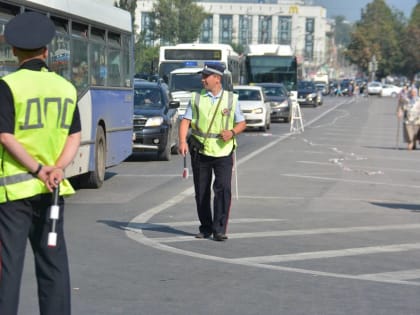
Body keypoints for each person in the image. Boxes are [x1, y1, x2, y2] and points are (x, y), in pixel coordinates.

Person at [0, 12, 81, 315]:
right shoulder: (66, 88)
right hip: (54, 192)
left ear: (13, 51)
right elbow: (75, 137)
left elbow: (6, 137)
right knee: (53, 262)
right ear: (47, 51)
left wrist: (37, 169)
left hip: (13, 196)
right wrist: (56, 169)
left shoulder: (7, 86)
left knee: (7, 268)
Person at [178, 62, 246, 242]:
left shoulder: (231, 99)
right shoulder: (196, 98)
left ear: (217, 78)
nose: (202, 79)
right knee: (201, 191)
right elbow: (185, 121)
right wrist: (182, 141)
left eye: (206, 76)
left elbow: (241, 123)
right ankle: (206, 227)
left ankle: (219, 229)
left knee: (223, 189)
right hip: (200, 150)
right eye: (203, 76)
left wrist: (232, 132)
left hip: (223, 151)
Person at [397, 85, 420, 150]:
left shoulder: (419, 100)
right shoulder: (406, 99)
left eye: (414, 92)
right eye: (412, 92)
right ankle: (410, 142)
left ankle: (413, 142)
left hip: (417, 120)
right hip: (408, 120)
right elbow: (401, 106)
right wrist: (400, 112)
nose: (413, 94)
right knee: (409, 133)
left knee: (415, 134)